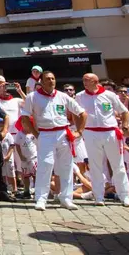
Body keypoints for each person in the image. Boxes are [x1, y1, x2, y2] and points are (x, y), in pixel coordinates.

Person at [21, 71, 87, 211]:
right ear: (42, 81)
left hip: (63, 133)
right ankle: (41, 198)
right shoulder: (33, 97)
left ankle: (66, 198)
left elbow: (82, 113)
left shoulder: (63, 96)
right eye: (47, 79)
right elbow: (25, 116)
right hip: (45, 134)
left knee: (66, 166)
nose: (51, 81)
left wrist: (79, 131)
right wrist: (35, 133)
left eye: (53, 78)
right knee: (45, 165)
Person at [75, 73, 129, 207]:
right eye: (83, 80)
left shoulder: (110, 95)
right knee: (95, 166)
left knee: (117, 165)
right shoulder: (79, 96)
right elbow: (76, 115)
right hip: (91, 133)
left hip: (110, 132)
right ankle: (99, 196)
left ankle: (125, 196)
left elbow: (124, 111)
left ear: (95, 82)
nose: (84, 82)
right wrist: (79, 130)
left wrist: (124, 125)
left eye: (87, 80)